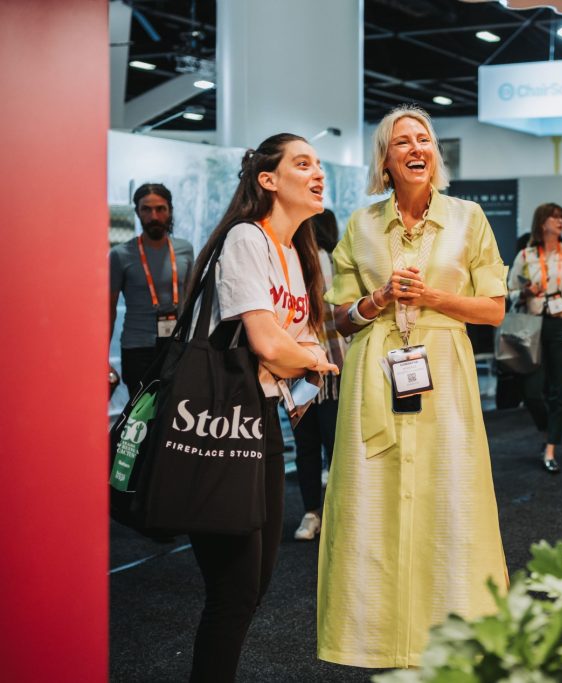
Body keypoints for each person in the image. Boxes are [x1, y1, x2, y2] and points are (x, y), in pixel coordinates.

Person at [317, 106, 508, 669]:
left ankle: (450, 637)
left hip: (443, 376)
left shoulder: (469, 219)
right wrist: (376, 301)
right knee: (369, 503)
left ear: (435, 154)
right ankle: (373, 638)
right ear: (386, 159)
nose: (414, 148)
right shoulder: (361, 224)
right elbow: (340, 319)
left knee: (451, 501)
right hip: (374, 374)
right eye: (401, 142)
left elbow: (493, 310)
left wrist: (431, 299)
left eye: (423, 139)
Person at [183, 133, 339, 681]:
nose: (317, 172)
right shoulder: (246, 238)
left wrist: (300, 357)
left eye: (318, 163)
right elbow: (270, 345)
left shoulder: (297, 253)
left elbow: (288, 344)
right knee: (234, 591)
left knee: (252, 587)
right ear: (268, 180)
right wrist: (314, 363)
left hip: (263, 423)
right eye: (303, 163)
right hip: (219, 426)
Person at [508, 203, 562, 473]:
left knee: (559, 390)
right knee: (531, 391)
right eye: (553, 217)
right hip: (531, 325)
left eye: (561, 217)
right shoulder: (526, 255)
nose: (559, 221)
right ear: (541, 222)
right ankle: (548, 428)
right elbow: (509, 292)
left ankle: (551, 448)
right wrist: (525, 293)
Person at [109, 183, 194, 395]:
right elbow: (108, 311)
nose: (153, 215)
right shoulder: (121, 254)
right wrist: (102, 360)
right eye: (146, 209)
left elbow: (192, 301)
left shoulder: (185, 250)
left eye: (160, 209)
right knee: (140, 416)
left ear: (170, 211)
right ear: (137, 212)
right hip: (137, 348)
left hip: (176, 345)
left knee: (171, 414)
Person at [292, 208, 345, 541]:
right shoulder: (290, 261)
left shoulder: (337, 262)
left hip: (331, 368)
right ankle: (313, 512)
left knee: (327, 443)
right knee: (311, 443)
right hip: (299, 367)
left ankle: (328, 513)